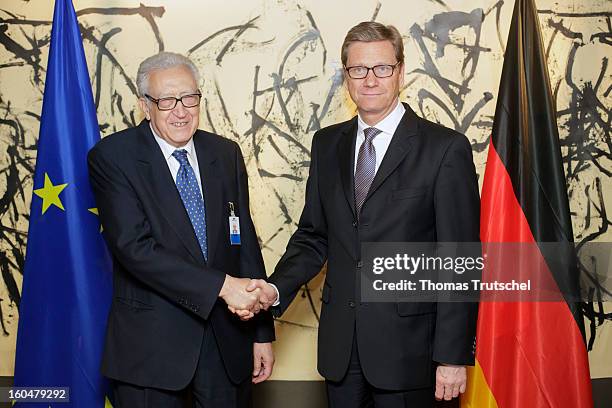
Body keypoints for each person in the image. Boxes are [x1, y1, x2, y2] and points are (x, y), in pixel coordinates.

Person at [241, 22, 480, 407]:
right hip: (341, 353)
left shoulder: (444, 149)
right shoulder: (327, 144)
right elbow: (313, 236)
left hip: (412, 355)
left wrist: (452, 356)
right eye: (358, 69)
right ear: (345, 76)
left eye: (382, 68)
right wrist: (273, 289)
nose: (370, 79)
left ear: (400, 72)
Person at [88, 52, 274, 408]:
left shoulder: (225, 153)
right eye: (167, 101)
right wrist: (222, 287)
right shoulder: (113, 157)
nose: (181, 111)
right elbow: (134, 248)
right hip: (151, 351)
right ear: (145, 106)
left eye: (190, 98)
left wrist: (262, 334)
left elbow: (244, 241)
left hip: (226, 344)